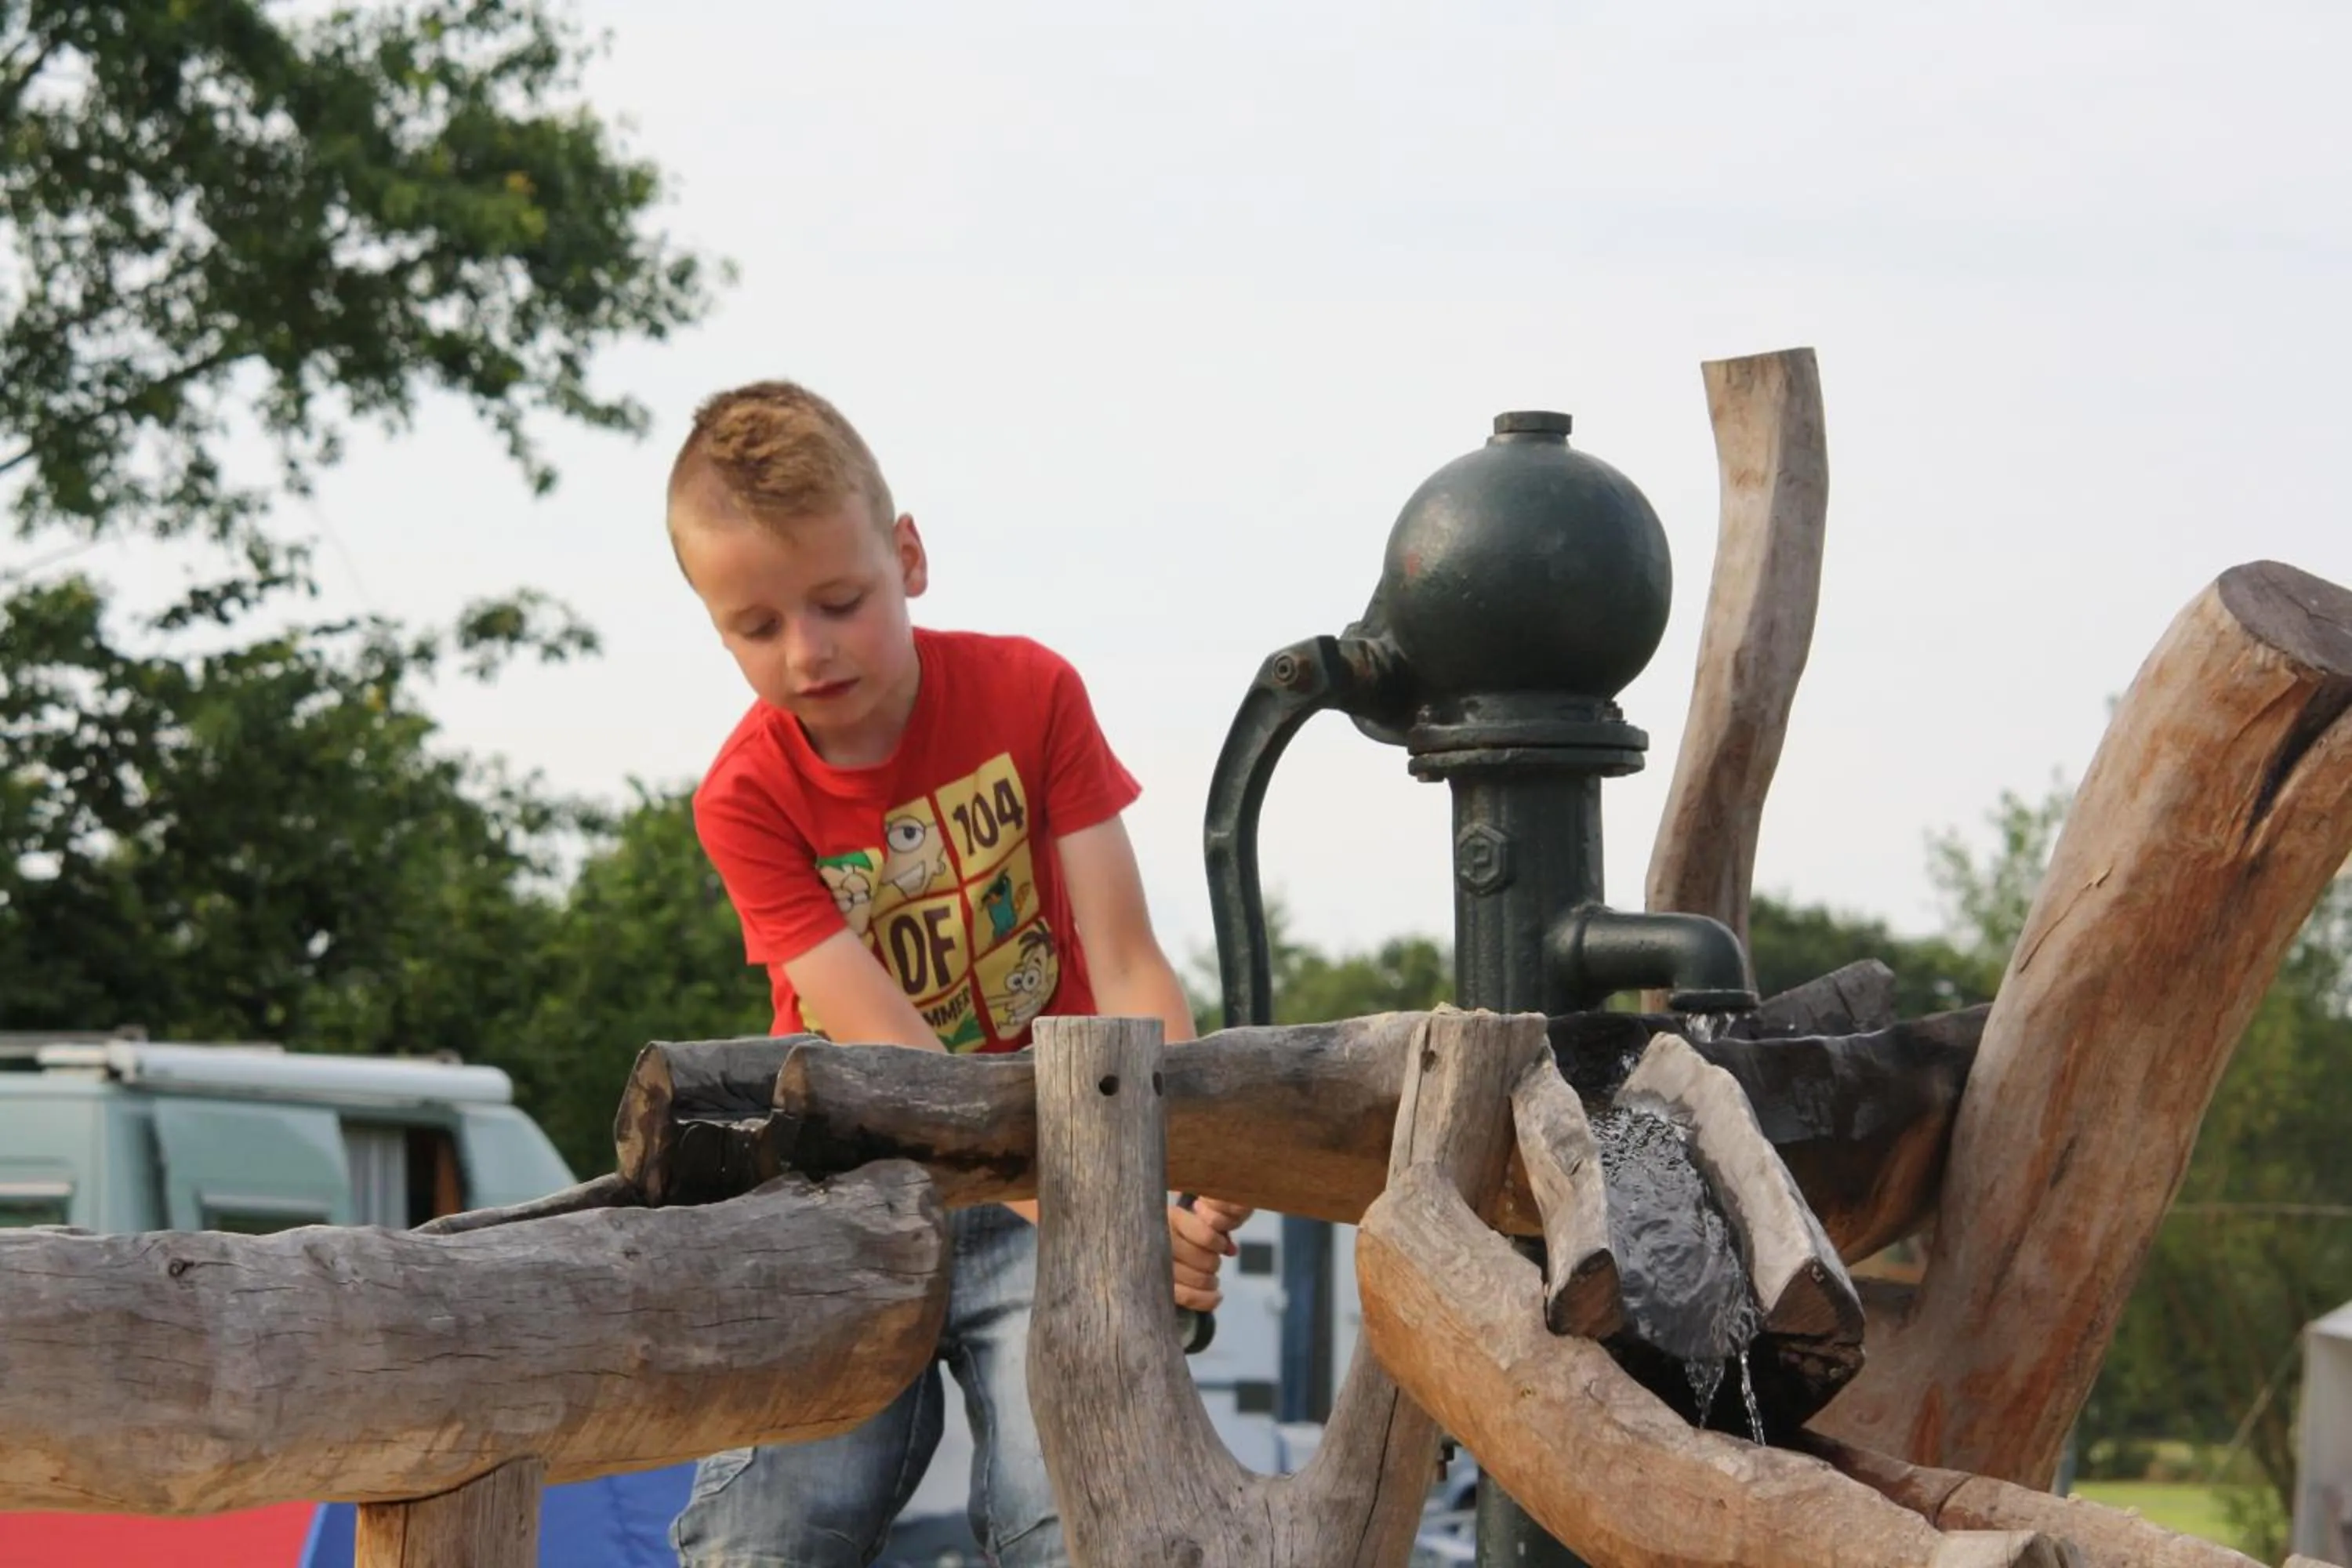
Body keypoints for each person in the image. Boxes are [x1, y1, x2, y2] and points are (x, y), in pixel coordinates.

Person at [663, 379, 1250, 1567]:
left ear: (910, 557)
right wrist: (1109, 1214)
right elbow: (903, 1066)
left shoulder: (1031, 696)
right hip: (850, 1177)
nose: (808, 652)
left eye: (839, 602)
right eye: (757, 628)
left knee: (1072, 1511)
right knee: (771, 1530)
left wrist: (1185, 1178)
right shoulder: (744, 800)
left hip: (1057, 1165)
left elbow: (1131, 961)